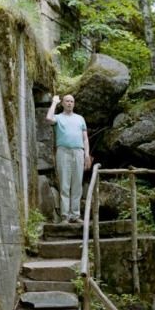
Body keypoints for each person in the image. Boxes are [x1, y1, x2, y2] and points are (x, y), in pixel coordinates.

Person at [46, 94, 91, 223]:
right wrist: (54, 102)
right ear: (63, 103)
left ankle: (75, 215)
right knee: (65, 184)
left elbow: (85, 138)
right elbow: (48, 119)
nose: (70, 103)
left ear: (74, 103)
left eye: (72, 101)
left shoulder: (80, 118)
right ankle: (65, 216)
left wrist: (86, 154)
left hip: (78, 152)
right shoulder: (58, 118)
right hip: (63, 151)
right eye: (67, 101)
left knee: (77, 184)